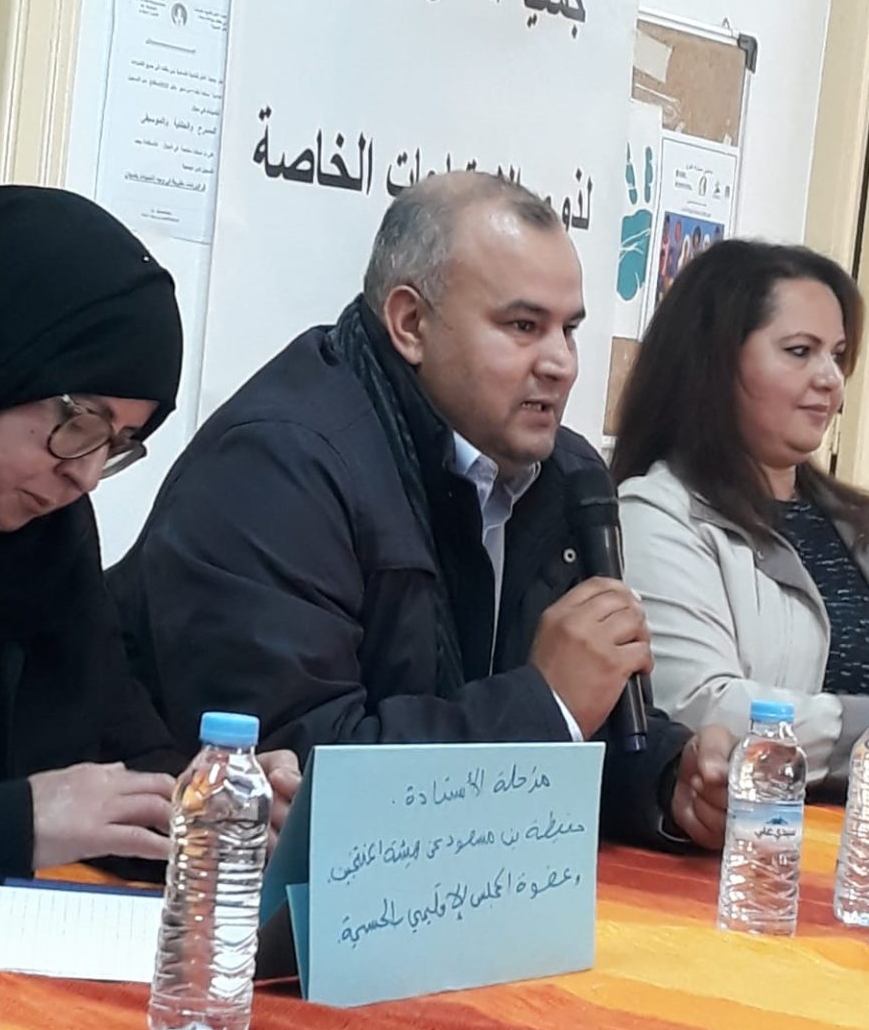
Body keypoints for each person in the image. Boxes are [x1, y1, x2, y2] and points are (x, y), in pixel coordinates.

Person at [110, 172, 732, 850]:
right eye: (523, 326)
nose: (560, 363)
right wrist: (544, 706)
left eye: (569, 329)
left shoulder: (567, 478)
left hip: (463, 885)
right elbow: (296, 775)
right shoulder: (278, 467)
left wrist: (667, 779)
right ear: (411, 324)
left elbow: (581, 729)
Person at [0, 185, 298, 880]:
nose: (84, 476)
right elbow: (39, 815)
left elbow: (114, 751)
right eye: (80, 422)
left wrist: (212, 809)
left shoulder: (47, 543)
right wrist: (7, 823)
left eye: (116, 444)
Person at [611, 238, 869, 787]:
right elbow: (699, 709)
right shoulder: (658, 513)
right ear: (715, 362)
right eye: (799, 351)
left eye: (837, 355)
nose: (830, 379)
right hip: (740, 833)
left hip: (863, 833)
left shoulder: (857, 524)